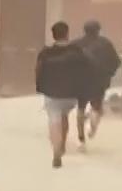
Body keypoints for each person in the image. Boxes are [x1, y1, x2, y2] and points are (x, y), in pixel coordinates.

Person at [37, 21, 91, 169]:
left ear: (53, 35)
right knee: (64, 117)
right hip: (71, 94)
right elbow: (86, 70)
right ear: (67, 34)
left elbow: (39, 71)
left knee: (54, 120)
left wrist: (41, 87)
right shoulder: (77, 51)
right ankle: (62, 145)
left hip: (52, 93)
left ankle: (56, 151)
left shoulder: (46, 53)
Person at [73, 20, 122, 145]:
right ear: (99, 30)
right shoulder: (105, 43)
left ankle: (81, 138)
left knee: (81, 107)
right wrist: (109, 74)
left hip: (80, 80)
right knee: (97, 107)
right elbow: (116, 61)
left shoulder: (76, 44)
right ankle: (92, 128)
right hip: (100, 80)